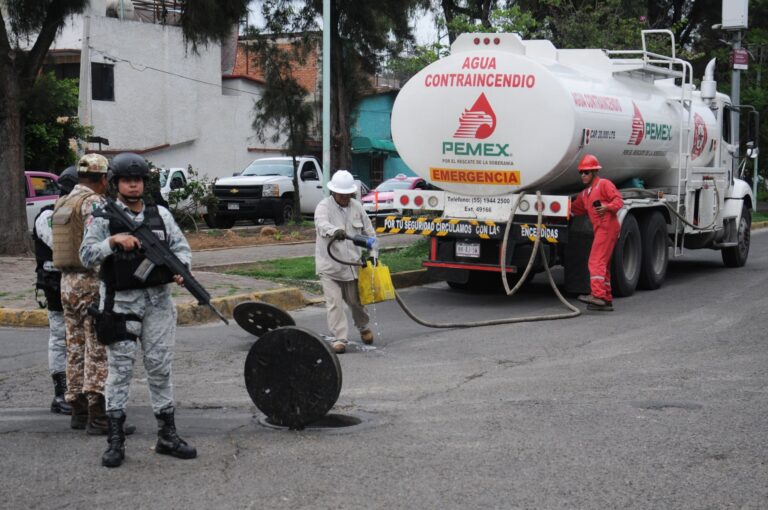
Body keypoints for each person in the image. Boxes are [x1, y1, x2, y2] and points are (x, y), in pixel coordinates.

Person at [80, 152, 196, 468]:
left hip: (158, 303)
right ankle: (115, 441)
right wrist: (113, 242)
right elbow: (86, 256)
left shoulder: (161, 215)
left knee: (160, 367)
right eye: (127, 180)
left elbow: (182, 249)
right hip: (120, 305)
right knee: (120, 370)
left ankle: (167, 436)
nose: (133, 185)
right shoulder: (102, 217)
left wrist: (181, 269)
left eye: (138, 180)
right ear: (115, 183)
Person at [52, 154, 111, 433]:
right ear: (103, 178)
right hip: (90, 282)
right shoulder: (93, 202)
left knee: (74, 346)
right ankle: (98, 416)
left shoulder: (64, 201)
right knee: (97, 347)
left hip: (66, 282)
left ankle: (78, 409)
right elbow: (98, 245)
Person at [32, 166, 78, 415]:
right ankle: (60, 393)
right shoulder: (48, 216)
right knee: (60, 336)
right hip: (56, 284)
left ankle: (82, 390)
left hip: (82, 285)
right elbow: (61, 244)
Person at [314, 170, 375, 354]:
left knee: (356, 302)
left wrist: (373, 254)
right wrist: (335, 231)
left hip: (352, 266)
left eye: (348, 194)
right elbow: (321, 224)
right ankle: (340, 338)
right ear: (333, 192)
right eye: (341, 194)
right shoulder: (324, 207)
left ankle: (364, 327)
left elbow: (369, 233)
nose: (345, 197)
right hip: (330, 267)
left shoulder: (357, 207)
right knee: (335, 304)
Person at [571, 154, 624, 312]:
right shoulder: (585, 194)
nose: (583, 175)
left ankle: (598, 295)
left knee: (596, 261)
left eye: (586, 172)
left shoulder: (604, 184)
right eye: (581, 172)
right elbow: (574, 209)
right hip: (601, 229)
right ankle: (606, 299)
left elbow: (618, 200)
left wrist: (607, 207)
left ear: (594, 172)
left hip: (607, 228)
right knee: (603, 264)